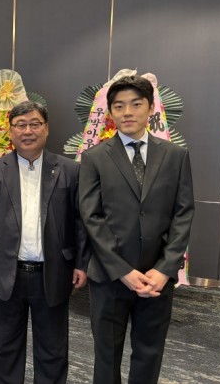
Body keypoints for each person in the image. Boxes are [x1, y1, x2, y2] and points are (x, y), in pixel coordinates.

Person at [78, 75, 195, 384]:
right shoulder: (94, 158)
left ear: (150, 108)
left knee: (149, 353)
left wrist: (165, 269)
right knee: (106, 355)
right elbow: (91, 216)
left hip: (157, 277)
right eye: (119, 106)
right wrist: (122, 270)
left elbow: (183, 214)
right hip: (109, 277)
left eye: (135, 104)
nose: (127, 112)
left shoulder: (175, 156)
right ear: (110, 113)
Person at [0, 100, 90, 384]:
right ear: (10, 131)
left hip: (53, 272)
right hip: (5, 272)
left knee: (52, 350)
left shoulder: (70, 170)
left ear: (46, 128)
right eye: (20, 125)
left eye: (34, 124)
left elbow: (80, 220)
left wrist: (81, 263)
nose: (27, 131)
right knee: (5, 348)